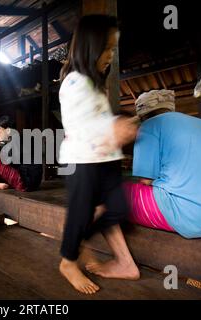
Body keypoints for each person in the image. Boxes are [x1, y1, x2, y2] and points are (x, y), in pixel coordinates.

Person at [58, 15, 140, 294]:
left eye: (114, 49)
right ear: (90, 47)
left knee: (117, 209)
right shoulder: (74, 82)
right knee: (81, 212)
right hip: (82, 161)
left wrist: (121, 125)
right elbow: (80, 124)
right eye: (107, 48)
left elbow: (102, 120)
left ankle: (78, 241)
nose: (111, 55)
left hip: (107, 160)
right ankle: (68, 260)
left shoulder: (96, 85)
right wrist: (114, 127)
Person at [125, 89, 201, 238]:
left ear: (142, 115)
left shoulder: (149, 125)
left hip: (191, 218)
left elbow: (146, 181)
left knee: (115, 191)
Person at [0, 115, 43, 192]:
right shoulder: (11, 140)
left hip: (28, 181)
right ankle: (0, 183)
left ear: (8, 131)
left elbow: (9, 162)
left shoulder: (18, 140)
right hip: (25, 177)